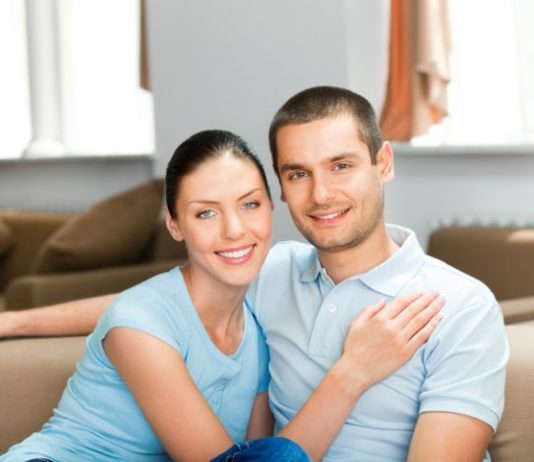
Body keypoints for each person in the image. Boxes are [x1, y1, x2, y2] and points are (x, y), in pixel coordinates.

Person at [0, 85, 507, 461]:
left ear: (384, 164)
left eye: (341, 166)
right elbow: (156, 306)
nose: (321, 194)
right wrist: (14, 322)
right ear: (282, 191)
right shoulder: (272, 271)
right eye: (298, 174)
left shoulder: (458, 303)